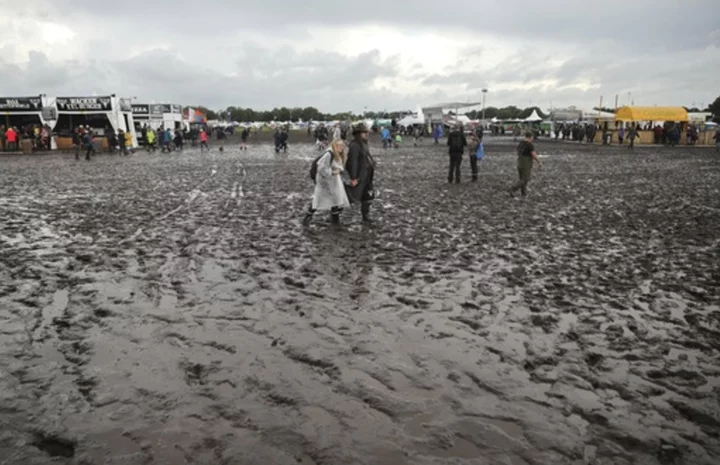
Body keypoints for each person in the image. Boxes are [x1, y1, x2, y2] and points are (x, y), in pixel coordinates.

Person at [302, 138, 351, 226]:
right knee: (319, 198)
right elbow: (321, 168)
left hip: (334, 181)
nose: (340, 147)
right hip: (325, 181)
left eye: (342, 146)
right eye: (338, 145)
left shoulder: (338, 154)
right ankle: (308, 217)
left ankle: (335, 219)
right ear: (334, 145)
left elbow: (338, 166)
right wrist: (333, 172)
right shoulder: (329, 154)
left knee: (336, 197)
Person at [345, 122, 376, 223]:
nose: (366, 134)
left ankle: (365, 216)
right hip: (358, 176)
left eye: (367, 132)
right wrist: (353, 177)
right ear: (358, 133)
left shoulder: (364, 144)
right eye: (364, 132)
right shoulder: (354, 145)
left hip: (367, 175)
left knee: (368, 195)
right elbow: (352, 162)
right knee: (349, 197)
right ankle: (334, 215)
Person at [509, 132, 541, 197]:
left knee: (522, 178)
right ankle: (513, 189)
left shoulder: (520, 143)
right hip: (526, 163)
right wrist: (539, 162)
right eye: (532, 137)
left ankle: (523, 192)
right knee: (525, 179)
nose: (533, 139)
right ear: (530, 137)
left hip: (520, 162)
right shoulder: (529, 145)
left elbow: (518, 152)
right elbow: (533, 154)